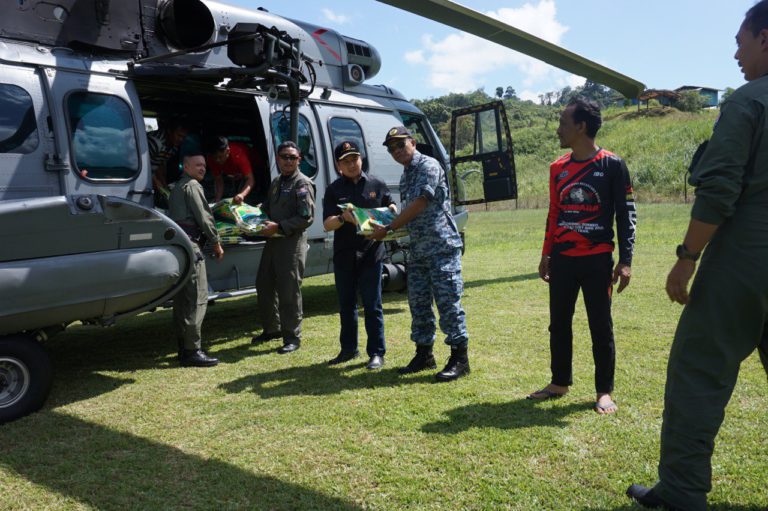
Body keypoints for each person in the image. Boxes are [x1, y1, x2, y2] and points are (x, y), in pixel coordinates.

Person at [627, 3, 768, 509]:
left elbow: (720, 188)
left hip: (745, 261)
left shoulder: (750, 100)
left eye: (741, 40)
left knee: (698, 372)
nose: (736, 53)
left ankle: (683, 491)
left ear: (765, 38)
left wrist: (687, 255)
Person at [528, 97, 636, 415]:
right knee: (558, 324)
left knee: (600, 326)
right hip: (562, 259)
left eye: (563, 123)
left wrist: (625, 261)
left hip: (597, 259)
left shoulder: (612, 165)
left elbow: (625, 214)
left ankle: (604, 392)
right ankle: (559, 382)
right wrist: (546, 253)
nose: (558, 129)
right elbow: (554, 214)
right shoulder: (558, 168)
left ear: (581, 126)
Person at [370, 126, 469, 382]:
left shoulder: (429, 166)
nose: (396, 151)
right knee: (419, 304)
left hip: (441, 246)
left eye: (400, 145)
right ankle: (424, 354)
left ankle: (460, 358)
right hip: (418, 249)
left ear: (412, 142)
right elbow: (408, 212)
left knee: (448, 302)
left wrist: (390, 227)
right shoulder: (406, 174)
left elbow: (421, 203)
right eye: (391, 148)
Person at [323, 141, 397, 370]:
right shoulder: (333, 190)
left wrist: (392, 210)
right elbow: (327, 225)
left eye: (354, 158)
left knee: (372, 306)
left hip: (371, 254)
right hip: (344, 255)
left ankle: (376, 352)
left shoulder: (376, 183)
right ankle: (348, 349)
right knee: (346, 305)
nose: (352, 164)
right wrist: (343, 218)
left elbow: (391, 206)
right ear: (338, 165)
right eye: (346, 161)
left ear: (361, 160)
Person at [251, 141, 315, 354]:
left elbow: (306, 217)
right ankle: (271, 329)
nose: (288, 161)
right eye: (284, 157)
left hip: (290, 242)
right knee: (264, 284)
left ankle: (292, 337)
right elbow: (269, 207)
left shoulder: (302, 184)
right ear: (277, 159)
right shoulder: (277, 181)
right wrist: (253, 215)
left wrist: (279, 226)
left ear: (299, 160)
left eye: (292, 157)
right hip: (272, 241)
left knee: (289, 291)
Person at [167, 153, 224, 367]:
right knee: (197, 298)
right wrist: (216, 242)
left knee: (182, 300)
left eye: (204, 165)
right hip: (192, 247)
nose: (203, 168)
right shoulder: (192, 186)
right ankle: (193, 350)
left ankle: (183, 347)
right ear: (186, 166)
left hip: (181, 247)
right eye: (198, 165)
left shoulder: (177, 187)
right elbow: (205, 217)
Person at [205, 136, 257, 205]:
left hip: (255, 165)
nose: (218, 160)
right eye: (215, 158)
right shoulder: (211, 158)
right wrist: (217, 200)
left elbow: (250, 179)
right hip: (236, 172)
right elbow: (218, 180)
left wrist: (242, 195)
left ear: (227, 151)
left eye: (220, 157)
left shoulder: (238, 154)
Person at [148, 118, 189, 204]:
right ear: (169, 131)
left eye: (183, 137)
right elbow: (145, 166)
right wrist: (157, 184)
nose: (181, 139)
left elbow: (160, 165)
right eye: (179, 135)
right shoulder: (156, 142)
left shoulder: (174, 146)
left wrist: (164, 186)